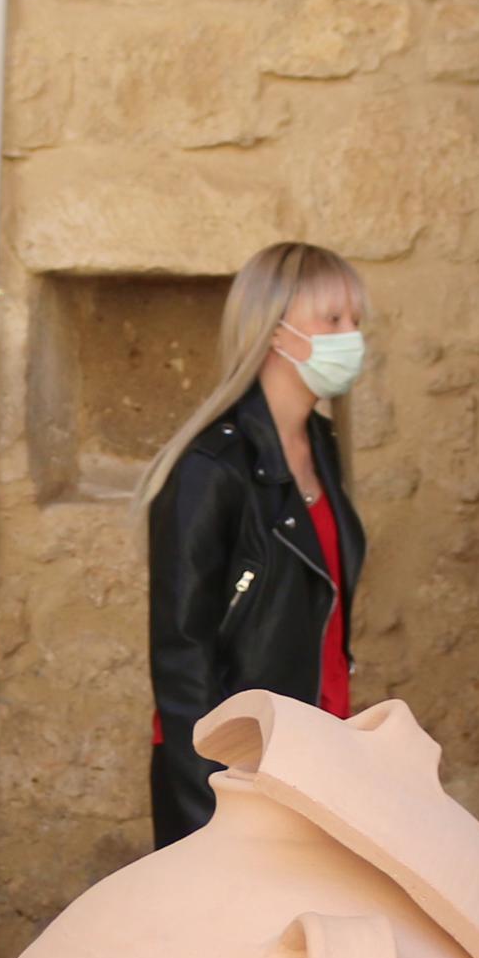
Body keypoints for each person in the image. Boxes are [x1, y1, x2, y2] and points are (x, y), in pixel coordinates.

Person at [140, 241, 373, 844]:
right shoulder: (210, 468)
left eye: (355, 321)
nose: (351, 337)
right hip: (244, 773)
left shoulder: (322, 449)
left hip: (320, 753)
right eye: (332, 320)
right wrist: (212, 801)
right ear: (276, 331)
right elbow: (181, 656)